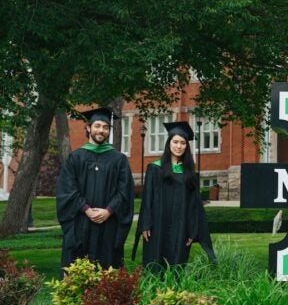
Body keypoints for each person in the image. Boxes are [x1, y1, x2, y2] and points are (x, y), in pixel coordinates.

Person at [56, 107, 134, 270]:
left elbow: (125, 191)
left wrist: (109, 210)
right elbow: (67, 189)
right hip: (81, 224)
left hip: (109, 225)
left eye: (105, 127)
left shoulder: (118, 159)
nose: (101, 130)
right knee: (79, 270)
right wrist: (86, 209)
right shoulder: (75, 157)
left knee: (107, 270)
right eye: (97, 126)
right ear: (88, 128)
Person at [132, 121, 214, 272]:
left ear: (186, 146)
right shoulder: (155, 168)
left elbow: (194, 206)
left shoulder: (189, 174)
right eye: (175, 142)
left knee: (176, 265)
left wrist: (192, 230)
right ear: (169, 143)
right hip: (157, 225)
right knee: (155, 263)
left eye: (183, 143)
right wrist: (145, 224)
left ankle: (174, 294)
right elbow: (147, 199)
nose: (179, 146)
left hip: (181, 226)